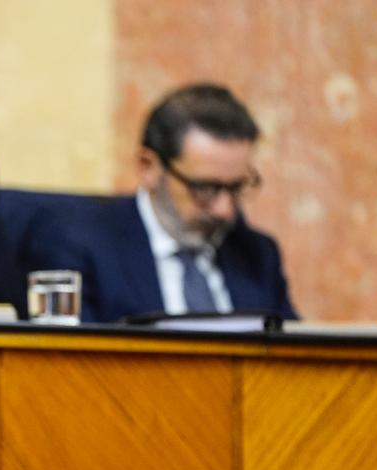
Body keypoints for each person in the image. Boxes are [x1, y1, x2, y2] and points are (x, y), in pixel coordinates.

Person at [59, 83, 296, 323]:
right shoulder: (85, 249)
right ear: (148, 167)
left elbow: (294, 356)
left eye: (236, 187)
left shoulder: (257, 255)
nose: (225, 210)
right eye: (204, 188)